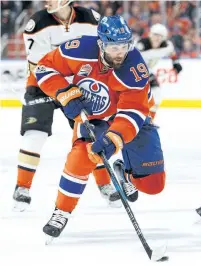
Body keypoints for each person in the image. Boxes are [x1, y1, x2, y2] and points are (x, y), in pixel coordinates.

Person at [34, 15, 166, 239]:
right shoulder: (79, 49)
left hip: (134, 118)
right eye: (114, 47)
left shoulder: (135, 67)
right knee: (81, 156)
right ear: (101, 43)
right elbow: (44, 68)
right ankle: (61, 211)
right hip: (95, 117)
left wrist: (114, 138)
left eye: (124, 46)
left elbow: (133, 111)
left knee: (153, 185)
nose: (120, 53)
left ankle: (124, 171)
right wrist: (63, 93)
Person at [13, 0, 121, 211]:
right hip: (43, 83)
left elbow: (102, 52)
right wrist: (63, 92)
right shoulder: (36, 24)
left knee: (91, 134)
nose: (47, 1)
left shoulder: (91, 19)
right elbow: (41, 68)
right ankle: (22, 187)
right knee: (35, 135)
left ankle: (105, 184)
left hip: (78, 85)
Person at [136, 23, 183, 118]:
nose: (157, 38)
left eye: (160, 36)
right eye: (155, 35)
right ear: (150, 35)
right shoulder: (141, 45)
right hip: (133, 71)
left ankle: (150, 122)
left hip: (147, 71)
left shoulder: (166, 46)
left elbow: (172, 52)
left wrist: (176, 63)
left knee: (156, 95)